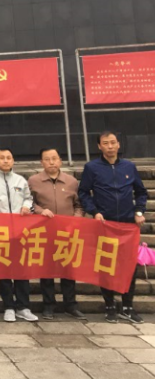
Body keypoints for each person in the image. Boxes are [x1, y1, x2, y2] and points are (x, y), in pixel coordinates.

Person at [79, 131, 147, 324]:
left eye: (113, 142)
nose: (110, 146)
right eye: (105, 143)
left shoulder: (129, 166)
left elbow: (141, 192)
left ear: (118, 144)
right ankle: (109, 306)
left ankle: (127, 306)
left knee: (129, 267)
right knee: (105, 266)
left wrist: (139, 211)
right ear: (99, 146)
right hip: (105, 224)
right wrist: (94, 211)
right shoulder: (92, 167)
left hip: (127, 225)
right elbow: (83, 192)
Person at [0, 148, 37, 323]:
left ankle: (23, 307)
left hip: (20, 231)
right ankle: (9, 307)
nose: (6, 161)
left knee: (22, 271)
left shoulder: (20, 180)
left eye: (9, 158)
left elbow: (29, 198)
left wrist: (26, 206)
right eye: (2, 158)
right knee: (4, 271)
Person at [28, 147, 86, 320]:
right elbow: (28, 203)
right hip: (44, 232)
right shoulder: (33, 181)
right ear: (41, 162)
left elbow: (79, 205)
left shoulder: (71, 181)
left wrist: (76, 220)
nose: (51, 162)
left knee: (68, 269)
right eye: (47, 159)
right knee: (46, 270)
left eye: (54, 158)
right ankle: (48, 305)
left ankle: (70, 304)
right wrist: (40, 211)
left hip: (67, 232)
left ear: (60, 160)